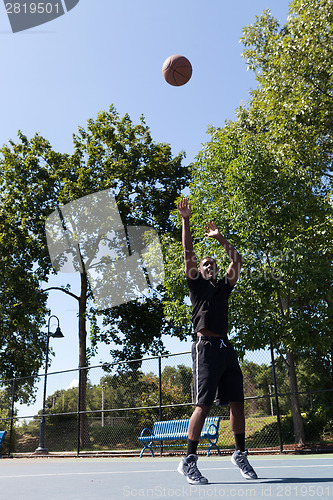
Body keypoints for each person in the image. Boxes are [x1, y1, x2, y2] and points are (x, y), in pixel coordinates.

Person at [176, 197, 258, 485]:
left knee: (237, 401)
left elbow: (237, 260)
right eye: (205, 264)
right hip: (206, 348)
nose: (209, 266)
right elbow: (188, 252)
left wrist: (220, 238)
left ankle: (239, 453)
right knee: (204, 404)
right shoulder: (197, 286)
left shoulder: (224, 287)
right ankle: (188, 461)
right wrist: (186, 220)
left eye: (212, 264)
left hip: (226, 348)